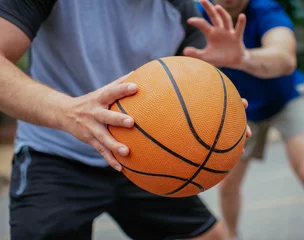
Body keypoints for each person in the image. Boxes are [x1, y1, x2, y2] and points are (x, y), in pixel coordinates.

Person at [0, 0, 251, 239]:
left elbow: (187, 97)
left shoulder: (180, 8)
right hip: (57, 153)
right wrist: (69, 111)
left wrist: (222, 113)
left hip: (146, 155)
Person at [188, 0, 304, 239]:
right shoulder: (195, 16)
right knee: (227, 185)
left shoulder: (264, 8)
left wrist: (243, 58)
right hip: (241, 109)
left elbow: (285, 58)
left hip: (287, 99)